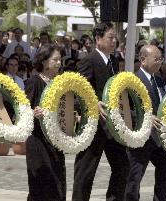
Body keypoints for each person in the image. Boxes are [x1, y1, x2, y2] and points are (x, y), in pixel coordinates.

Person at [72, 22, 129, 201]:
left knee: (123, 167)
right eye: (110, 38)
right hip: (94, 126)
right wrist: (92, 103)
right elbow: (78, 90)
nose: (114, 41)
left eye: (115, 38)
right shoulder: (88, 60)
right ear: (98, 39)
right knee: (85, 173)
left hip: (112, 126)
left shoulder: (113, 61)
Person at [125, 45, 166, 201]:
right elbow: (125, 110)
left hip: (159, 139)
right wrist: (146, 117)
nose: (159, 62)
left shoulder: (159, 80)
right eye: (156, 58)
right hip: (140, 138)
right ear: (142, 59)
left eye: (161, 59)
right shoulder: (132, 80)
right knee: (133, 181)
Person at [24, 44, 66, 201]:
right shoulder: (33, 82)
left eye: (60, 60)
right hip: (38, 142)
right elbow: (22, 110)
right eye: (55, 59)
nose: (58, 63)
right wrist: (33, 113)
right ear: (43, 61)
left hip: (56, 141)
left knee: (57, 185)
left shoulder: (60, 84)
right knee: (40, 186)